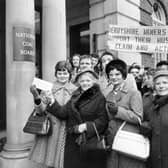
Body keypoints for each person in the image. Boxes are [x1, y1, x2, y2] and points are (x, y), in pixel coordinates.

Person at [32, 69, 108, 168]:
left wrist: (86, 126)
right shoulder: (75, 96)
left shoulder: (100, 98)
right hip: (72, 140)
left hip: (88, 141)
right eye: (82, 81)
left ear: (93, 82)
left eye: (88, 81)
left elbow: (103, 120)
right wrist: (52, 100)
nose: (85, 83)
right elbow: (63, 113)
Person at [29, 61, 77, 168]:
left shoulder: (75, 90)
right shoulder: (48, 88)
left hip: (67, 130)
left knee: (65, 162)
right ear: (55, 74)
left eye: (65, 73)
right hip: (50, 129)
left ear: (70, 74)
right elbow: (40, 110)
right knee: (50, 161)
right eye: (59, 73)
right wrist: (36, 97)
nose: (62, 76)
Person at [104, 59, 145, 168]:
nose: (114, 77)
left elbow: (138, 118)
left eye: (117, 74)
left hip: (127, 138)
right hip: (112, 138)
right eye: (111, 74)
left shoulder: (134, 93)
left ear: (124, 75)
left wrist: (118, 111)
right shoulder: (108, 95)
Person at [141, 70, 168, 168]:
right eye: (158, 83)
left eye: (165, 82)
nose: (161, 86)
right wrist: (145, 127)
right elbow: (145, 122)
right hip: (155, 156)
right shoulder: (150, 105)